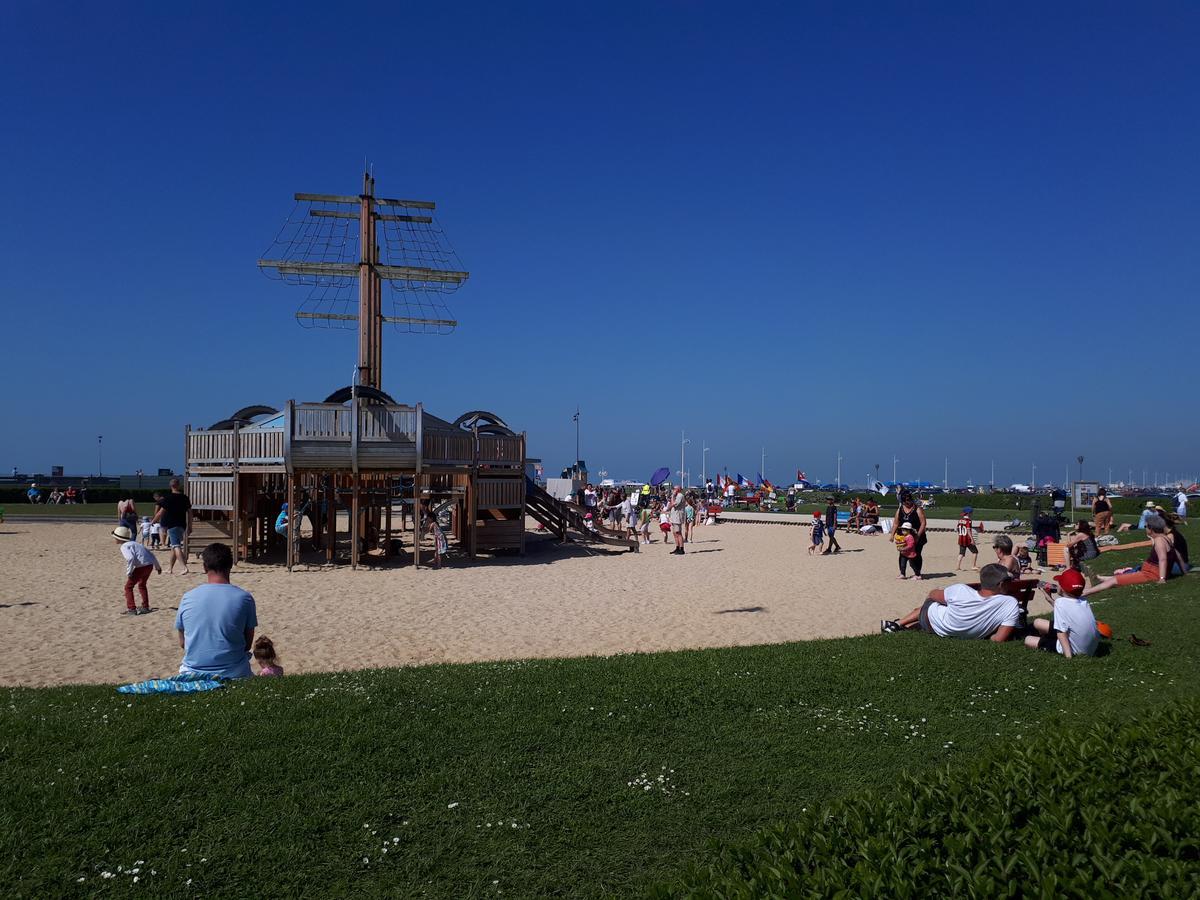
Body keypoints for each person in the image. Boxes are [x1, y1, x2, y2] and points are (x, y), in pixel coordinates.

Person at [175, 543, 257, 678]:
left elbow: (183, 643)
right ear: (230, 565)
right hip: (234, 671)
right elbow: (247, 645)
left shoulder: (187, 597)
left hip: (192, 671)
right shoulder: (244, 598)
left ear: (204, 567)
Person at [882, 563, 1020, 642]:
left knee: (931, 602)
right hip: (956, 629)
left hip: (934, 624)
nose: (1010, 584)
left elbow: (932, 594)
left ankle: (897, 624)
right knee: (939, 605)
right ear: (1001, 584)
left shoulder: (961, 590)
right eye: (1009, 581)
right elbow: (998, 639)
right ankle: (900, 624)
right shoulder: (1009, 604)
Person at [1084, 516, 1185, 596]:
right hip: (1149, 572)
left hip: (1150, 574)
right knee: (1121, 577)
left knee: (1114, 581)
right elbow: (1178, 555)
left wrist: (1162, 578)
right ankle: (1104, 579)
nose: (1145, 529)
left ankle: (1087, 592)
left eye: (1146, 527)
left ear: (1151, 529)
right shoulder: (1167, 538)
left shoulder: (1159, 540)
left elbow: (1163, 559)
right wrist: (1183, 571)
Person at [1024, 569, 1099, 659]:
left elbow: (1061, 632)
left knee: (1028, 640)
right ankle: (1047, 637)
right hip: (1090, 648)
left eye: (1059, 584)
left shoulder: (1060, 602)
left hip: (1075, 650)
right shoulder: (1083, 600)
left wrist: (1068, 657)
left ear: (1062, 589)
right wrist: (1049, 599)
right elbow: (1065, 609)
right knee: (1037, 622)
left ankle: (1051, 642)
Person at [113, 525, 161, 615]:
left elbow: (130, 558)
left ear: (119, 538)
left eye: (115, 537)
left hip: (141, 567)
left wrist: (129, 571)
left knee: (128, 587)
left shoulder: (124, 546)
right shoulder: (136, 543)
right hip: (149, 565)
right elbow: (151, 555)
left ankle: (131, 609)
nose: (114, 539)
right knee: (142, 585)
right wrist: (158, 567)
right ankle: (145, 607)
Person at [151, 478, 193, 575]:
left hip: (172, 525)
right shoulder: (185, 497)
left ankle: (184, 567)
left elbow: (160, 512)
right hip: (182, 524)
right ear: (179, 485)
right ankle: (170, 568)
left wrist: (153, 521)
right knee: (173, 547)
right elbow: (190, 513)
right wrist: (190, 525)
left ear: (170, 486)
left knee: (176, 546)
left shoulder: (168, 498)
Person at [892, 492, 928, 577]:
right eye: (905, 502)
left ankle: (917, 574)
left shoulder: (917, 509)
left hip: (917, 535)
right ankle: (902, 573)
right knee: (902, 553)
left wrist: (918, 536)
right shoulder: (900, 509)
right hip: (903, 536)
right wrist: (892, 535)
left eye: (908, 501)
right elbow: (895, 523)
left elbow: (923, 523)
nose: (907, 503)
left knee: (916, 554)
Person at [956, 506, 983, 571]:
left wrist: (961, 535)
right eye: (971, 513)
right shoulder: (968, 521)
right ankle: (973, 566)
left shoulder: (960, 520)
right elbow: (968, 530)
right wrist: (972, 539)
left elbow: (957, 529)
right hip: (967, 539)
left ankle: (957, 566)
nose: (972, 514)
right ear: (968, 513)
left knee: (961, 553)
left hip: (961, 539)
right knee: (975, 552)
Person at [668, 486, 687, 554]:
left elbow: (674, 505)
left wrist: (673, 496)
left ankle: (681, 549)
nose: (673, 490)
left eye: (674, 488)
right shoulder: (677, 496)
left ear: (677, 489)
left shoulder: (680, 496)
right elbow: (670, 505)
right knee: (674, 533)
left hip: (677, 517)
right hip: (674, 516)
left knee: (678, 532)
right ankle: (677, 547)